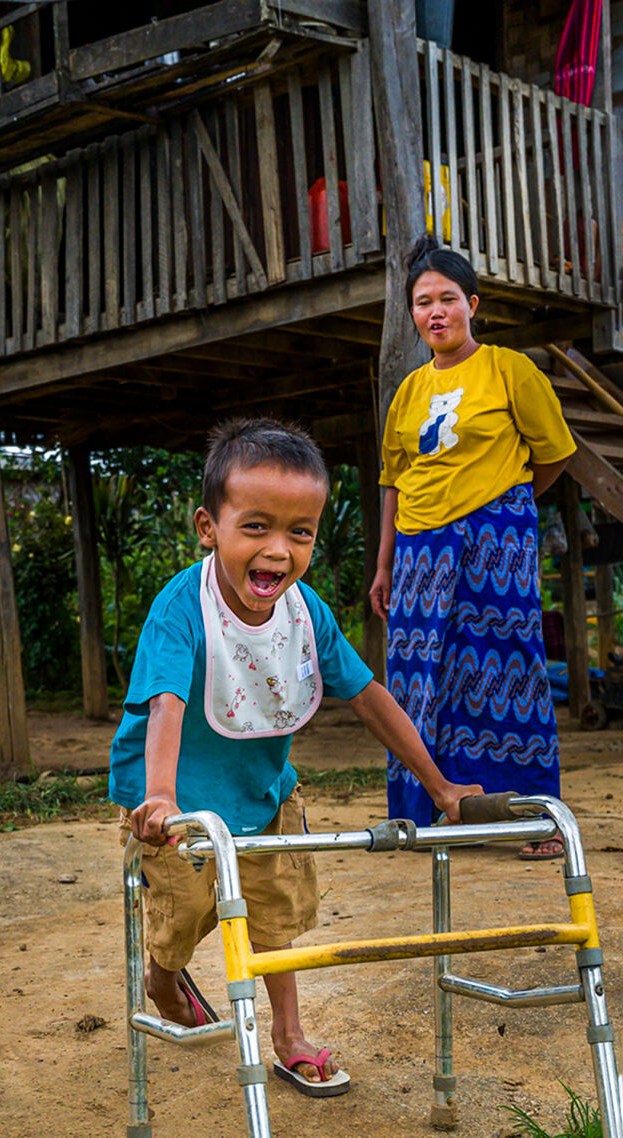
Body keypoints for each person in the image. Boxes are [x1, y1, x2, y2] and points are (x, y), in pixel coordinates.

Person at [109, 416, 483, 1098]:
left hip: (263, 788)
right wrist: (159, 797)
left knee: (275, 914)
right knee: (186, 915)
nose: (277, 550)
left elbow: (367, 694)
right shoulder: (181, 609)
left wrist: (441, 785)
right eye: (255, 527)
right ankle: (162, 975)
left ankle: (288, 1035)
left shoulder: (305, 611)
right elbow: (165, 702)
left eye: (299, 532)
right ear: (208, 528)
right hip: (176, 796)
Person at [369, 236, 576, 860]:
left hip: (495, 544)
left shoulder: (511, 369)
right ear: (413, 314)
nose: (436, 312)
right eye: (423, 302)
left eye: (448, 300)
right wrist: (384, 562)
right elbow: (393, 481)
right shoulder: (406, 392)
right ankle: (427, 813)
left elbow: (555, 456)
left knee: (506, 668)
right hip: (418, 555)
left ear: (472, 304)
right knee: (418, 676)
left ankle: (533, 816)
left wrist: (503, 507)